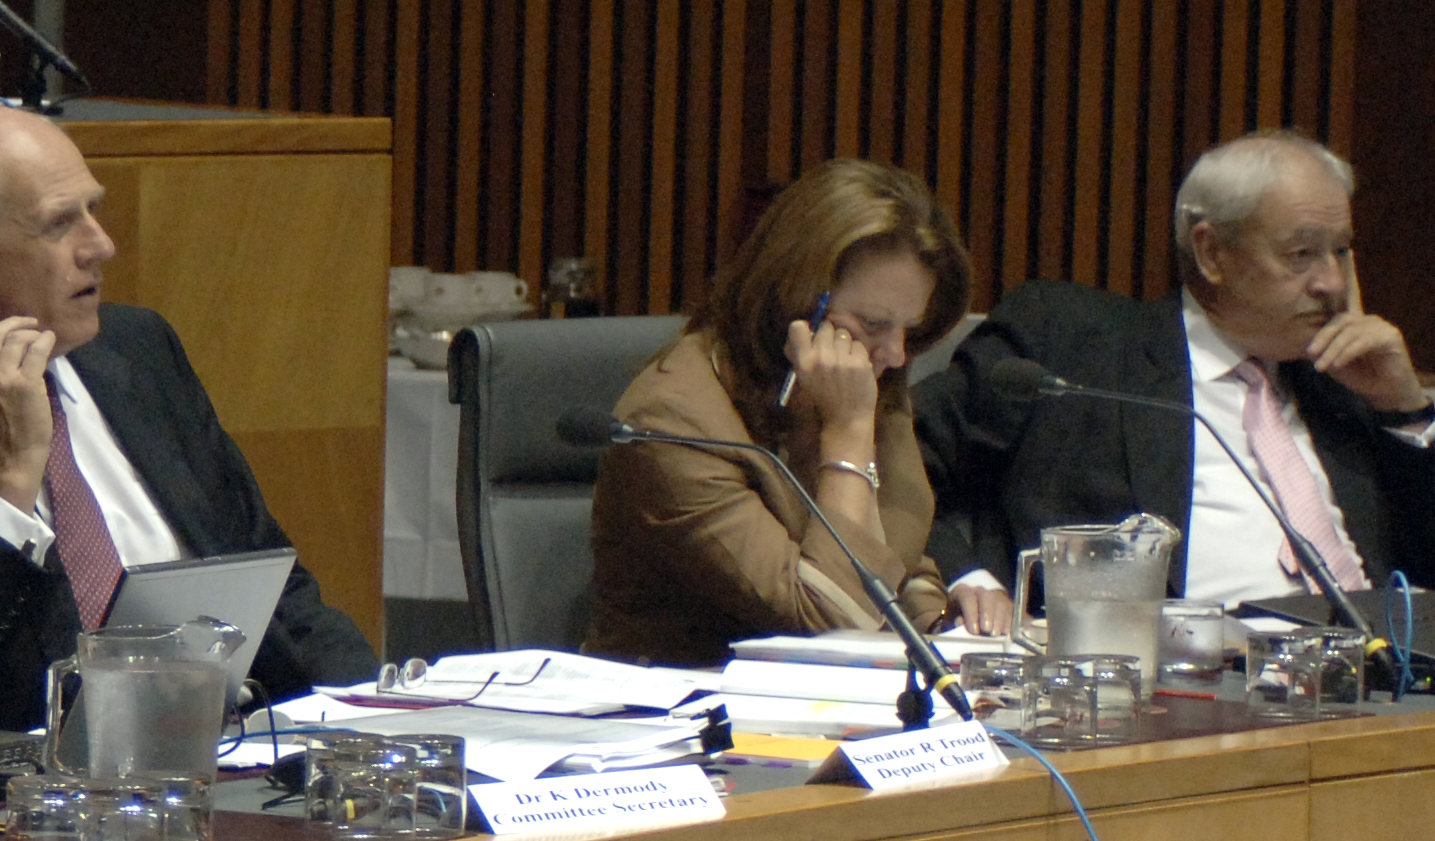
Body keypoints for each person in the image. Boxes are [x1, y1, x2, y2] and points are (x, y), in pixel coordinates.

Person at [0, 103, 379, 727]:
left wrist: (377, 713)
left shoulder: (141, 353)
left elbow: (274, 581)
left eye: (92, 210)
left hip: (242, 746)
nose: (101, 245)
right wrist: (9, 477)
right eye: (60, 223)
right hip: (37, 790)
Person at [919, 130, 1435, 619]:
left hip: (1378, 686)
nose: (1330, 281)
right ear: (1211, 252)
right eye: (1301, 254)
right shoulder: (1073, 346)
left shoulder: (1343, 385)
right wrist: (964, 576)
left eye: (1341, 250)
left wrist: (1405, 412)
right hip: (1180, 683)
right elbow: (900, 455)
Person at [584, 160, 972, 663]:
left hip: (820, 708)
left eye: (908, 328)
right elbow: (830, 618)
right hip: (681, 714)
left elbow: (896, 560)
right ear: (794, 303)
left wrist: (955, 633)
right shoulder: (673, 418)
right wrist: (848, 434)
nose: (896, 354)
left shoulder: (864, 382)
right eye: (873, 323)